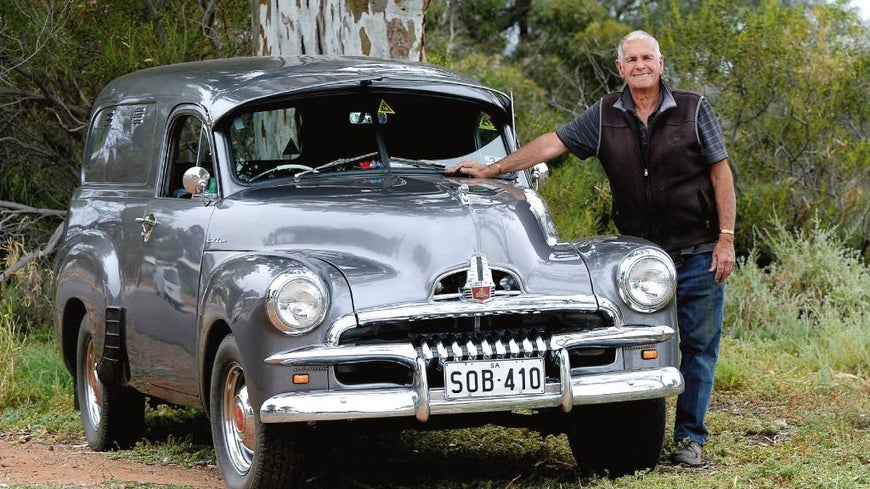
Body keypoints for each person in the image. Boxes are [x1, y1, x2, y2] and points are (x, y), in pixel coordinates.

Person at [445, 30, 736, 467]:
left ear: (660, 64)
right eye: (631, 60)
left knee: (698, 344)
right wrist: (494, 169)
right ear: (619, 68)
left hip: (697, 249)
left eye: (647, 58)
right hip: (638, 259)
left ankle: (690, 438)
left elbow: (721, 174)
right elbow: (553, 143)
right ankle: (634, 431)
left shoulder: (694, 109)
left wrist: (726, 239)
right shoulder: (604, 115)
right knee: (639, 340)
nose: (639, 66)